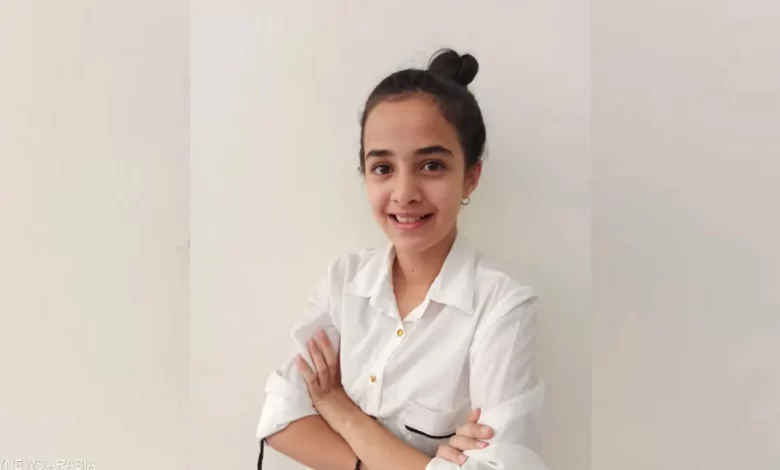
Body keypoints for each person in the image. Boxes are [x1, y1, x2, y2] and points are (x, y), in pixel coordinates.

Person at [255, 48, 548, 470]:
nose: (405, 193)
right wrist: (426, 464)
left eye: (431, 165)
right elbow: (280, 417)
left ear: (471, 177)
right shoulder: (344, 281)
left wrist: (340, 410)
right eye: (383, 168)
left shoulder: (502, 306)